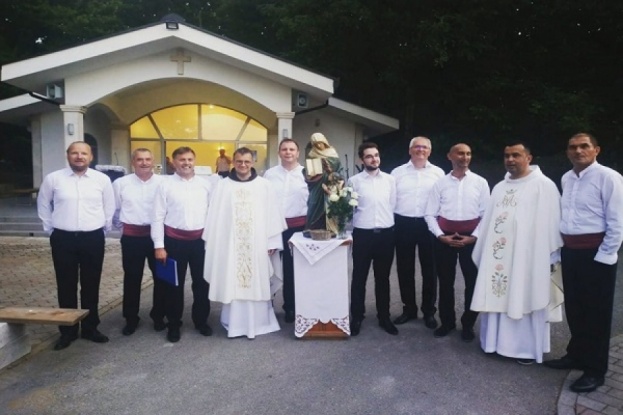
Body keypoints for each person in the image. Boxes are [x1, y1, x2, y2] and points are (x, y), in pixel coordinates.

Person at [470, 142, 563, 364]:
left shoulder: (544, 186)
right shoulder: (500, 187)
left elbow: (553, 223)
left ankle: (526, 350)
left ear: (528, 158)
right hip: (499, 259)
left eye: (516, 155)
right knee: (497, 291)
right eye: (506, 155)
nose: (510, 159)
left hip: (528, 259)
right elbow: (489, 222)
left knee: (526, 296)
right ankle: (492, 343)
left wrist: (551, 256)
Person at [544, 133, 623, 392]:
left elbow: (617, 221)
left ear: (596, 149)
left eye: (584, 146)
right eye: (573, 147)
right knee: (576, 309)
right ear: (567, 152)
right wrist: (558, 250)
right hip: (571, 251)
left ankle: (595, 370)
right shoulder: (567, 178)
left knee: (596, 314)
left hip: (596, 253)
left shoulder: (609, 178)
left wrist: (606, 255)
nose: (578, 151)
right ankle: (576, 355)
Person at [37, 141, 115, 350]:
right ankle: (67, 331)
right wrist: (51, 230)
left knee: (91, 284)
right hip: (63, 239)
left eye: (83, 153)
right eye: (74, 153)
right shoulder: (54, 179)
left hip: (92, 239)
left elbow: (109, 207)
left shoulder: (102, 180)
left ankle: (90, 328)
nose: (79, 157)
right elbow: (43, 204)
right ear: (68, 155)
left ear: (91, 157)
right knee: (66, 285)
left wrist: (102, 230)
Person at [203, 147, 286, 339]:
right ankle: (234, 324)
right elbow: (215, 217)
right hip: (231, 246)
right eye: (239, 161)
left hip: (257, 245)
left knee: (258, 279)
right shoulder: (223, 186)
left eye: (247, 161)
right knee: (232, 279)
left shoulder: (264, 185)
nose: (243, 165)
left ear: (253, 162)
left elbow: (273, 214)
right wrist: (216, 245)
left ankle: (260, 323)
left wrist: (272, 241)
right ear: (233, 162)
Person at [424, 143, 490, 342]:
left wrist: (475, 237)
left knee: (472, 283)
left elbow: (486, 214)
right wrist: (440, 236)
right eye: (460, 153)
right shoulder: (440, 183)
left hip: (472, 238)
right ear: (449, 156)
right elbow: (429, 213)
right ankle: (447, 322)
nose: (465, 157)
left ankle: (468, 323)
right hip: (445, 238)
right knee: (445, 283)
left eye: (468, 153)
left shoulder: (480, 182)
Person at [151, 146, 212, 343]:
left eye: (189, 159)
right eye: (181, 160)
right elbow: (158, 216)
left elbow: (212, 215)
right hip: (173, 241)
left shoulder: (206, 185)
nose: (186, 163)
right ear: (174, 163)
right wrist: (159, 246)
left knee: (202, 284)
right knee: (173, 286)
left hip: (200, 243)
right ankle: (174, 324)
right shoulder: (165, 185)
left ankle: (201, 321)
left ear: (194, 161)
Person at [391, 136, 444, 329]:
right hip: (403, 223)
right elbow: (390, 199)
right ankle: (409, 309)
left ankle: (429, 311)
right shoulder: (397, 173)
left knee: (430, 270)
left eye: (424, 147)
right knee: (405, 269)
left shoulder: (438, 173)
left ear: (429, 151)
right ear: (410, 150)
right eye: (416, 147)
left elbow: (443, 200)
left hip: (428, 224)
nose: (420, 150)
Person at [113, 148, 166, 335]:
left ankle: (158, 315)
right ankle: (131, 318)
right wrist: (125, 229)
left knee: (162, 278)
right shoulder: (121, 183)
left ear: (153, 161)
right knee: (132, 278)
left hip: (158, 238)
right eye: (140, 159)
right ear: (133, 161)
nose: (144, 163)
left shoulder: (163, 182)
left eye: (148, 159)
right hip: (132, 238)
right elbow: (115, 211)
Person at [348, 142, 397, 336]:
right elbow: (350, 209)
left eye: (376, 155)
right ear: (362, 159)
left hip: (385, 234)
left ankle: (384, 317)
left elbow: (392, 204)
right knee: (359, 277)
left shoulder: (390, 180)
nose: (374, 159)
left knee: (383, 278)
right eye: (369, 156)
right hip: (362, 234)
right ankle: (357, 317)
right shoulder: (354, 181)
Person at [263, 138, 308, 323]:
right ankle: (267, 307)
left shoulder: (308, 173)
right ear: (279, 152)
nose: (288, 152)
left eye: (292, 149)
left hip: (298, 227)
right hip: (273, 227)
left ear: (298, 153)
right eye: (284, 149)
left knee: (291, 270)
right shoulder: (269, 175)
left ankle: (290, 307)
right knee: (269, 267)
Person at [304, 132, 343, 232]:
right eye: (316, 144)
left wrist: (334, 176)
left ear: (324, 142)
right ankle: (312, 227)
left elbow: (339, 169)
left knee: (331, 205)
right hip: (317, 184)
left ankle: (331, 228)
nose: (318, 146)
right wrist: (310, 173)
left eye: (320, 143)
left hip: (331, 184)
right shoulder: (312, 154)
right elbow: (309, 171)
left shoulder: (332, 152)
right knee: (313, 204)